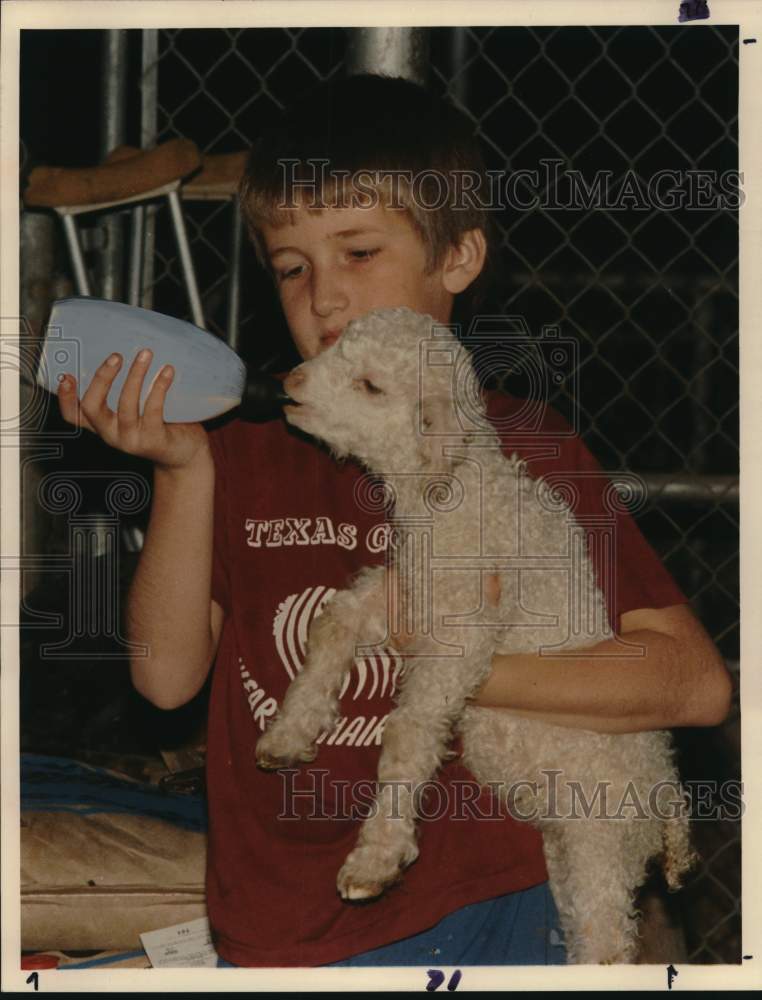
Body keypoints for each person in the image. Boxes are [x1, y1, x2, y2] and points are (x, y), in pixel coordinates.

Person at [57, 74, 732, 968]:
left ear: (457, 260)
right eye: (292, 268)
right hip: (272, 918)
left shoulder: (520, 447)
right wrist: (181, 472)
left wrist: (452, 665)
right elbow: (165, 679)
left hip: (477, 903)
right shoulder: (245, 456)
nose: (324, 297)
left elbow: (691, 684)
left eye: (359, 252)